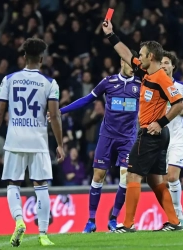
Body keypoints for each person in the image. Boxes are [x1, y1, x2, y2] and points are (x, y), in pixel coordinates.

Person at [102, 21, 183, 232]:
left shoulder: (162, 79)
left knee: (132, 176)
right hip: (157, 134)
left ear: (151, 57)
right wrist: (111, 34)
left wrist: (160, 122)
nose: (137, 56)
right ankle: (174, 222)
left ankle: (128, 225)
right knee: (155, 179)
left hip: (151, 132)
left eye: (142, 53)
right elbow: (125, 54)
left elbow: (179, 104)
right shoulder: (146, 73)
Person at [50, 50, 140, 232]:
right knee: (98, 176)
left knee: (126, 176)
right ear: (122, 62)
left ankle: (113, 219)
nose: (134, 68)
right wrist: (62, 110)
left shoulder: (140, 84)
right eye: (131, 63)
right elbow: (87, 99)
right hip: (107, 136)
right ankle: (91, 221)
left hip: (127, 139)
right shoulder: (108, 82)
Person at [0, 38, 65, 247]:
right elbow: (55, 116)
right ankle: (43, 234)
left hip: (14, 140)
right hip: (38, 141)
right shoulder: (50, 83)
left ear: (24, 57)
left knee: (13, 184)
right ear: (41, 59)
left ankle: (19, 220)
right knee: (41, 186)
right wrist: (60, 144)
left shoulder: (9, 79)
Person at [161, 51, 183, 228]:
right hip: (160, 139)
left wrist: (179, 110)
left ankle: (179, 213)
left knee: (172, 176)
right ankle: (173, 216)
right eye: (161, 63)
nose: (164, 65)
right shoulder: (154, 86)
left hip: (178, 138)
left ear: (173, 66)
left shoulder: (182, 86)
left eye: (167, 62)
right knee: (162, 181)